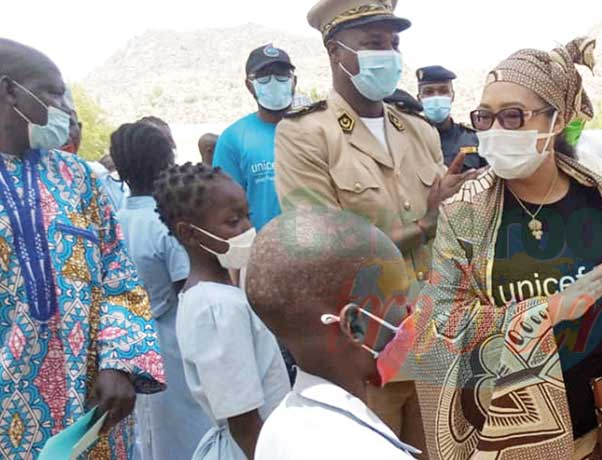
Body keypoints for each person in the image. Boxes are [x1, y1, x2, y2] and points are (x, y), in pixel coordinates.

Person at [396, 37, 602, 459]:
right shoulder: (465, 214)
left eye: (513, 116)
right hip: (511, 437)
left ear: (557, 120)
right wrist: (548, 312)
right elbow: (437, 328)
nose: (494, 131)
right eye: (484, 117)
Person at [275, 2, 476, 454]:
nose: (387, 54)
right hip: (365, 352)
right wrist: (425, 222)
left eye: (392, 43)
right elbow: (324, 247)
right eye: (372, 43)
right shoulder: (306, 134)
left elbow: (451, 230)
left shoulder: (418, 130)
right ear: (335, 50)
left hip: (434, 340)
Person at [0, 39, 165, 459]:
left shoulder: (79, 179)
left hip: (91, 408)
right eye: (53, 92)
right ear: (9, 91)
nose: (66, 108)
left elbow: (120, 276)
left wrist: (120, 362)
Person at [248, 209, 422, 459]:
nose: (410, 311)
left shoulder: (277, 426)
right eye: (401, 299)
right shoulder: (370, 452)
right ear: (354, 325)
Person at [154, 163, 290, 459]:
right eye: (232, 221)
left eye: (247, 216)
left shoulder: (208, 296)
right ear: (189, 234)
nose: (247, 229)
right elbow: (243, 419)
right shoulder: (218, 308)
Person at [110, 122, 212, 460]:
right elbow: (189, 286)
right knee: (189, 425)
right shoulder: (165, 225)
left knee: (152, 428)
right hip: (173, 337)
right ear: (165, 161)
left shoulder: (115, 220)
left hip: (133, 341)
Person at [214, 44, 296, 231]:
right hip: (261, 251)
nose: (274, 82)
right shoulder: (232, 138)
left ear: (294, 81)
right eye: (264, 77)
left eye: (282, 75)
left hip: (317, 250)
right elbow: (226, 208)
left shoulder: (316, 129)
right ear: (249, 85)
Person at [416, 65, 486, 170]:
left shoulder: (474, 139)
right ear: (419, 99)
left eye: (443, 91)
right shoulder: (411, 140)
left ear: (452, 96)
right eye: (429, 92)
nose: (436, 97)